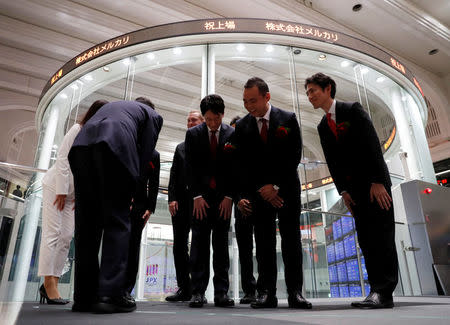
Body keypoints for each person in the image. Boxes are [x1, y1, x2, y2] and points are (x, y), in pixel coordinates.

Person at [304, 72, 398, 308]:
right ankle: (375, 290)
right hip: (354, 192)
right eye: (307, 92)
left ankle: (384, 292)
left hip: (375, 186)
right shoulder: (323, 125)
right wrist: (343, 191)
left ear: (328, 89)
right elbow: (333, 161)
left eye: (313, 90)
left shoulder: (352, 110)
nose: (309, 96)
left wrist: (377, 181)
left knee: (382, 237)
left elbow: (372, 143)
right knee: (366, 240)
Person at [68, 98, 163, 313]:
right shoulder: (153, 115)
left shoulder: (117, 106)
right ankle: (110, 295)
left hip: (81, 148)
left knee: (87, 225)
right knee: (117, 221)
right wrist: (133, 191)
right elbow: (146, 151)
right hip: (113, 146)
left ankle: (84, 297)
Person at [234, 77, 311, 309]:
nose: (249, 106)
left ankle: (295, 292)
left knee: (291, 242)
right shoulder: (243, 126)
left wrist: (275, 186)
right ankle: (266, 292)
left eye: (253, 100)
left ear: (267, 97)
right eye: (245, 101)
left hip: (286, 190)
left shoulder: (288, 119)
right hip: (259, 195)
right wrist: (258, 191)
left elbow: (293, 155)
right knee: (264, 244)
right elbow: (243, 165)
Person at [38, 99, 108, 305]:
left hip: (73, 194)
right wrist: (61, 190)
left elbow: (91, 170)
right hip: (55, 187)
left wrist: (80, 193)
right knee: (52, 234)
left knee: (67, 235)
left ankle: (54, 280)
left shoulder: (99, 137)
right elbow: (62, 158)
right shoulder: (78, 128)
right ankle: (48, 282)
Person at [185, 94, 235, 308]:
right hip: (200, 201)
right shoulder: (193, 134)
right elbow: (190, 168)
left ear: (222, 114)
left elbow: (236, 169)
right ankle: (197, 292)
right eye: (208, 120)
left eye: (216, 119)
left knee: (222, 247)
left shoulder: (233, 134)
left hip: (223, 200)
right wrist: (196, 196)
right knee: (199, 246)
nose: (212, 124)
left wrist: (229, 197)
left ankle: (221, 293)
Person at [165, 110, 204, 302]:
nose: (190, 123)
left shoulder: (207, 145)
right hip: (180, 202)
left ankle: (198, 289)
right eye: (188, 120)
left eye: (194, 120)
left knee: (198, 245)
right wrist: (171, 198)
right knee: (179, 245)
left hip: (200, 201)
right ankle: (184, 288)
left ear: (202, 122)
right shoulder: (180, 147)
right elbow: (173, 175)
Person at [124, 97, 161, 299]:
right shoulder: (125, 142)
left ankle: (127, 289)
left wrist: (150, 207)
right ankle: (108, 286)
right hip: (120, 201)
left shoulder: (153, 154)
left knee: (133, 247)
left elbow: (153, 183)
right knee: (116, 244)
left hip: (139, 206)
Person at [230, 115, 257, 304]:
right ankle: (249, 290)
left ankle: (265, 288)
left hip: (261, 201)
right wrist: (239, 200)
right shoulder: (231, 153)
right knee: (245, 251)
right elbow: (230, 179)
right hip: (240, 205)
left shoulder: (255, 147)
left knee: (264, 248)